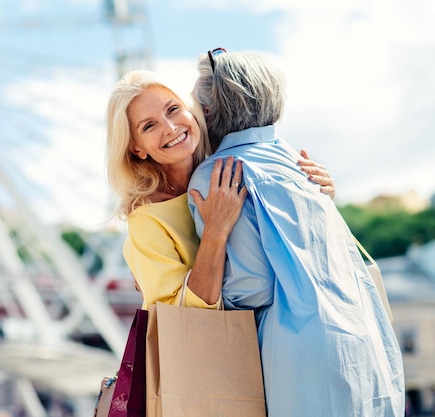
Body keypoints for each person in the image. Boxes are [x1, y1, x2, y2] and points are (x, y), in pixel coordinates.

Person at [188, 48, 405, 417]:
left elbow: (250, 287)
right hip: (367, 345)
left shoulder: (217, 175)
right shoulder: (302, 164)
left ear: (209, 111)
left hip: (301, 363)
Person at [105, 69, 335, 312]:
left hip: (282, 325)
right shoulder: (147, 220)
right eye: (149, 126)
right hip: (231, 344)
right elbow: (181, 315)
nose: (170, 128)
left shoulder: (228, 167)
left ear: (191, 111)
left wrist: (319, 193)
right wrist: (215, 231)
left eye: (173, 109)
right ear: (136, 149)